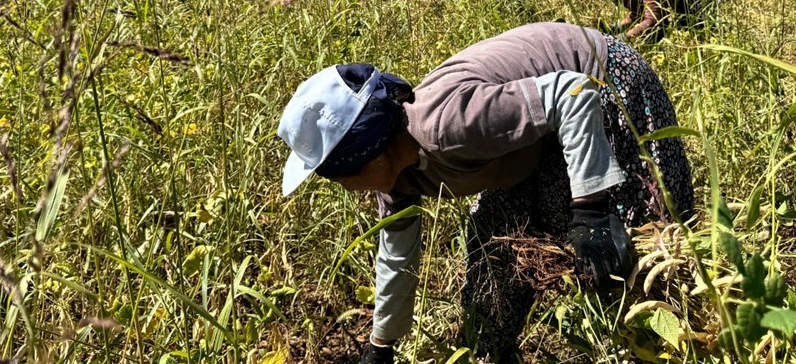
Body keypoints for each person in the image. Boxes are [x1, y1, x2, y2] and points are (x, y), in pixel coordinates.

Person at [277, 23, 694, 363]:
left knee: (633, 251)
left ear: (369, 153)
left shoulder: (448, 126)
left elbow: (574, 94)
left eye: (339, 176)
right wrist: (381, 346)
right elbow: (397, 258)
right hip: (530, 134)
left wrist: (591, 208)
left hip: (600, 77)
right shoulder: (398, 179)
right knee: (495, 263)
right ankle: (493, 351)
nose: (345, 188)